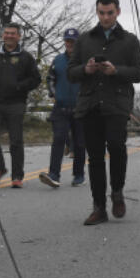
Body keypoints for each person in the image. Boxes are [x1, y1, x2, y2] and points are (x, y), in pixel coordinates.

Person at [68, 0, 140, 225]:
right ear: (97, 12)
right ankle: (99, 207)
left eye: (110, 13)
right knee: (95, 157)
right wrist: (87, 70)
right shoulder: (84, 40)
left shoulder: (130, 40)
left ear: (118, 12)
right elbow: (71, 73)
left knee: (116, 147)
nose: (105, 17)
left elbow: (139, 72)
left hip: (117, 104)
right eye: (101, 13)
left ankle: (117, 192)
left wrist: (116, 71)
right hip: (90, 104)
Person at [0, 23, 41, 188]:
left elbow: (36, 79)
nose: (9, 36)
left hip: (16, 103)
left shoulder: (25, 57)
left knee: (15, 141)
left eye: (13, 34)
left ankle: (17, 176)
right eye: (6, 33)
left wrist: (19, 86)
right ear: (3, 35)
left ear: (19, 36)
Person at [40, 27, 85, 188]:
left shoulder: (86, 61)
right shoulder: (57, 60)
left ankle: (78, 174)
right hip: (61, 107)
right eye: (67, 40)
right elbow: (50, 79)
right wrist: (54, 94)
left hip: (80, 107)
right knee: (58, 139)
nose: (70, 43)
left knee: (79, 143)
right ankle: (53, 174)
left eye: (73, 41)